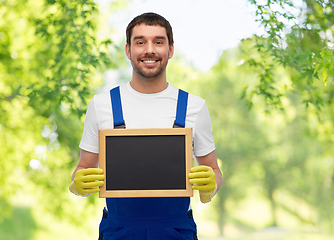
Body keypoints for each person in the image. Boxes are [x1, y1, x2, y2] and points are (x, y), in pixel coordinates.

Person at [69, 12, 223, 240]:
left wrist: (211, 184)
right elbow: (83, 168)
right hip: (119, 230)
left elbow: (214, 170)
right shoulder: (101, 105)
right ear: (128, 50)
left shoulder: (194, 106)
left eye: (158, 42)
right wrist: (77, 184)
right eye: (140, 42)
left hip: (176, 230)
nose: (149, 50)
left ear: (170, 50)